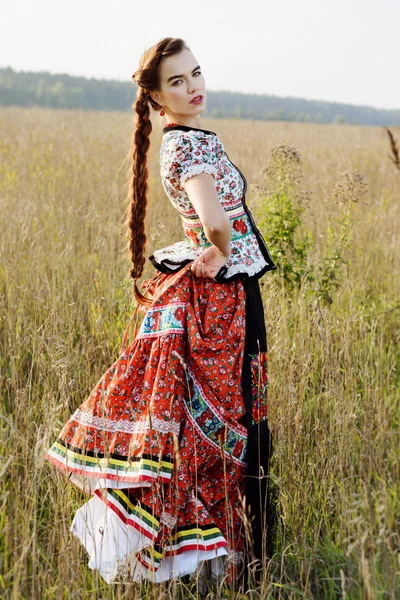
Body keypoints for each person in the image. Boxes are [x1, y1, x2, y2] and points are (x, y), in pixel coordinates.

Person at [44, 36, 278, 588]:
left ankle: (222, 562)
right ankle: (230, 564)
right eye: (177, 81)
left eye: (196, 73)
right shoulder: (189, 147)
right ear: (155, 96)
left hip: (226, 292)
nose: (194, 87)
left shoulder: (184, 139)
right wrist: (216, 247)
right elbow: (215, 221)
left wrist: (213, 247)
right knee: (227, 426)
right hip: (223, 299)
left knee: (220, 424)